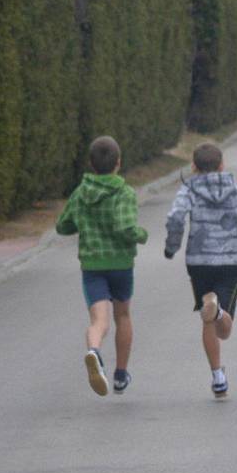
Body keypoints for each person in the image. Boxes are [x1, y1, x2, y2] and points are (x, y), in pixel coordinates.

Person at [163, 144, 237, 398]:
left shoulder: (188, 190)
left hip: (199, 262)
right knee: (224, 328)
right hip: (230, 263)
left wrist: (172, 247)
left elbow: (175, 218)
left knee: (207, 317)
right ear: (222, 165)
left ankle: (218, 376)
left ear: (193, 166)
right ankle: (217, 311)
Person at [56, 135, 149, 397]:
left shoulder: (80, 193)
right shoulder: (124, 192)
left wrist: (82, 223)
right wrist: (141, 235)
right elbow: (125, 228)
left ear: (91, 163)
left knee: (99, 320)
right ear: (119, 162)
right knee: (123, 316)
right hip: (121, 265)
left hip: (92, 265)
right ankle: (120, 374)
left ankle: (94, 351)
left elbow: (62, 226)